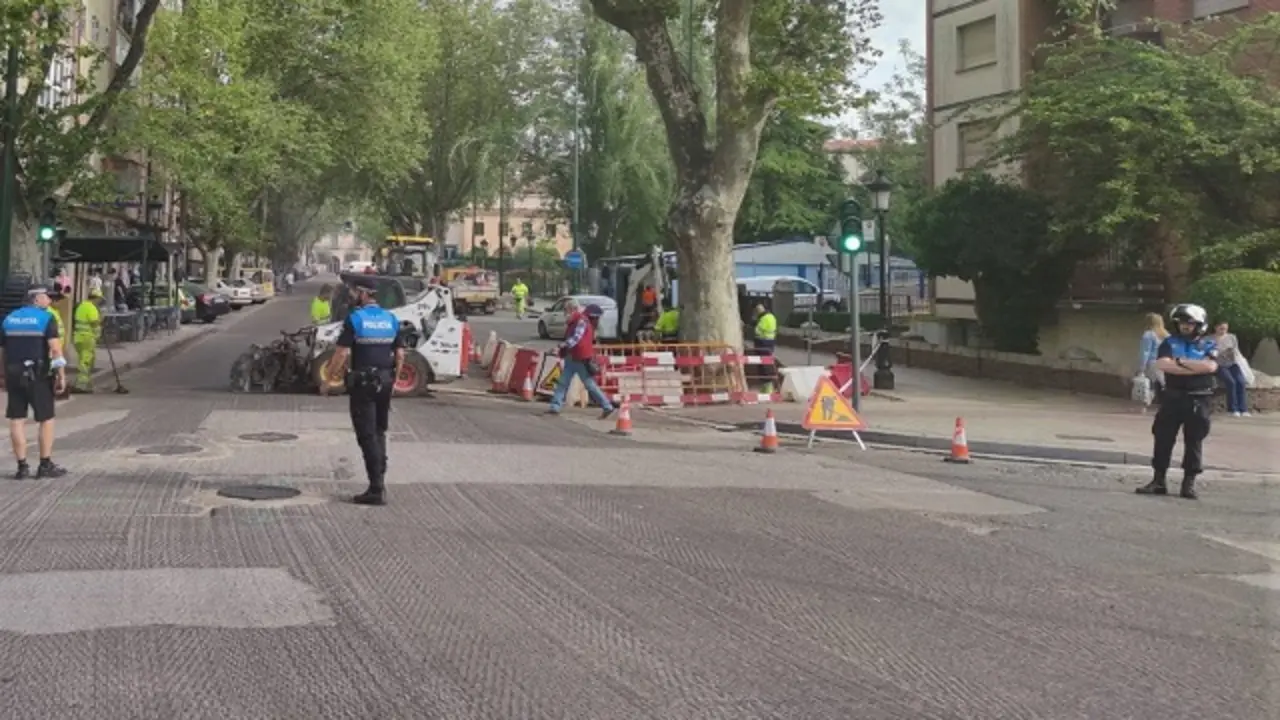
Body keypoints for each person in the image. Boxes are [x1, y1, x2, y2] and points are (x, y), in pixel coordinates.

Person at [323, 277, 404, 506]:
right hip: (385, 382)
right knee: (379, 432)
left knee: (366, 435)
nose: (350, 295)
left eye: (353, 292)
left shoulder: (355, 319)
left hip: (363, 383)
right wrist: (394, 381)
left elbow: (341, 354)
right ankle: (379, 479)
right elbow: (400, 355)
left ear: (363, 293)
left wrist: (328, 380)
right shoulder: (391, 319)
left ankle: (376, 489)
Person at [1136, 304, 1217, 500]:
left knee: (1194, 440)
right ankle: (1158, 481)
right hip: (1173, 396)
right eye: (1181, 323)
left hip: (1199, 398)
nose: (1185, 326)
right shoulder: (1169, 343)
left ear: (1199, 325)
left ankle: (1188, 484)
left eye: (1189, 323)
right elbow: (1163, 364)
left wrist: (1179, 363)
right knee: (1163, 437)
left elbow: (1210, 366)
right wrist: (1192, 366)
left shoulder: (1208, 344)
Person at [0, 287, 68, 479]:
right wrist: (61, 375)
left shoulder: (9, 319)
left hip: (14, 374)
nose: (50, 302)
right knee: (46, 419)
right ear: (37, 299)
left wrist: (3, 375)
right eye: (48, 298)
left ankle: (21, 467)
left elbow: (2, 351)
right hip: (38, 375)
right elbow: (55, 350)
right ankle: (44, 464)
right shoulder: (45, 318)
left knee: (16, 419)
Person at [546, 300, 615, 419]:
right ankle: (555, 407)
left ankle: (607, 406)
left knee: (588, 384)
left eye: (566, 311)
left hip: (578, 358)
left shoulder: (581, 321)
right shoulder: (577, 321)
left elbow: (576, 338)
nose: (564, 314)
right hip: (573, 357)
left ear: (572, 310)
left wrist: (561, 346)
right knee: (564, 382)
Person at [1212, 321, 1250, 417]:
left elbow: (1236, 350)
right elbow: (1209, 352)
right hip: (1219, 364)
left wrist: (1233, 352)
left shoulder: (1232, 337)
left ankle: (1243, 409)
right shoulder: (1210, 339)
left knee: (1241, 382)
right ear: (1216, 328)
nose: (1223, 331)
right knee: (1231, 382)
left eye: (1225, 328)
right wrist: (1220, 353)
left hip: (1232, 363)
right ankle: (1232, 409)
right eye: (1221, 328)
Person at [71, 288, 105, 393]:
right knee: (86, 361)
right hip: (87, 338)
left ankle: (87, 384)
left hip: (78, 337)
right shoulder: (92, 308)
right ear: (96, 298)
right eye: (99, 299)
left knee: (84, 359)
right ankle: (81, 385)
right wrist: (101, 321)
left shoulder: (81, 306)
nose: (100, 302)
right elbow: (94, 322)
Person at [1137, 312, 1168, 411]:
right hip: (1166, 362)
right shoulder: (1166, 335)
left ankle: (1145, 405)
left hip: (1153, 362)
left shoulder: (1148, 335)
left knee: (1152, 384)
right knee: (1163, 383)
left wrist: (1141, 367)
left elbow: (1145, 352)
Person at [752, 302, 778, 394]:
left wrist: (754, 321)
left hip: (762, 343)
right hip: (770, 343)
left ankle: (766, 388)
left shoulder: (763, 319)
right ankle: (767, 387)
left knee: (763, 366)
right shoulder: (772, 317)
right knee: (766, 365)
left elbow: (757, 331)